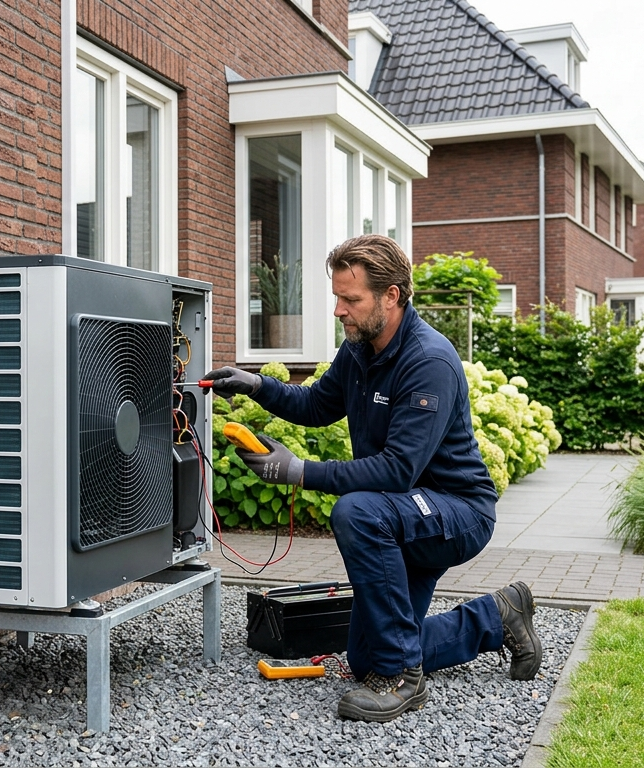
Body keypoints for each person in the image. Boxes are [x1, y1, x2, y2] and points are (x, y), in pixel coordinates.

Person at [204, 234, 542, 723]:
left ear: (391, 296)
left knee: (357, 511)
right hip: (402, 513)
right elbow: (317, 404)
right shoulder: (360, 349)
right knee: (366, 659)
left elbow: (396, 470)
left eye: (351, 299)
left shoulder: (428, 361)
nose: (339, 310)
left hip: (455, 512)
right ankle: (498, 616)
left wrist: (299, 472)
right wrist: (256, 385)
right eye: (337, 297)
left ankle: (403, 678)